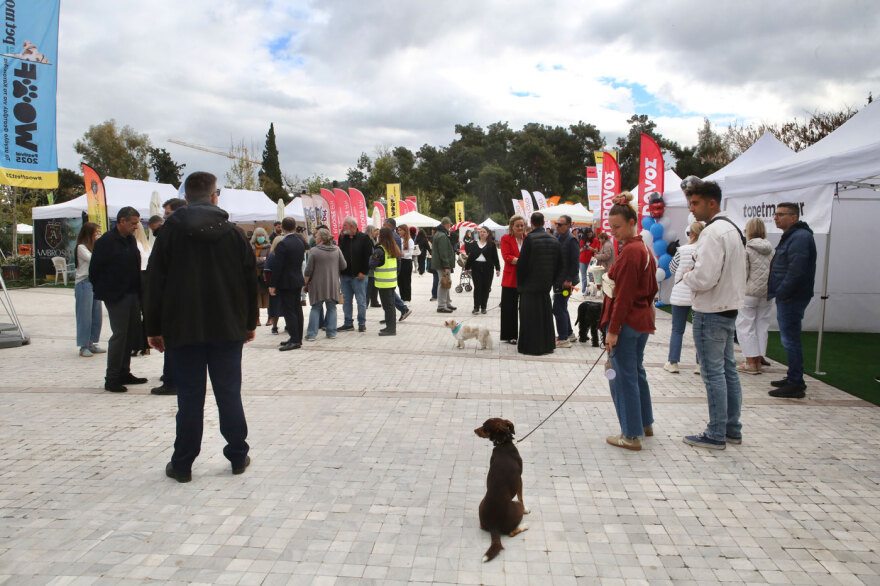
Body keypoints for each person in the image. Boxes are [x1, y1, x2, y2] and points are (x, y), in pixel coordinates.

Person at [145, 171, 256, 483]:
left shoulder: (169, 233)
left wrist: (153, 327)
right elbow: (250, 281)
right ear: (214, 195)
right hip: (227, 327)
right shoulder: (234, 234)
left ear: (186, 196)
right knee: (229, 393)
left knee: (189, 398)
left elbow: (154, 282)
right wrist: (249, 322)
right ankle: (237, 455)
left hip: (183, 327)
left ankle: (182, 464)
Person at [681, 179, 747, 450]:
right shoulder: (733, 229)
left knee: (713, 373)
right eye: (690, 203)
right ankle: (731, 428)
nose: (692, 209)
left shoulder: (712, 232)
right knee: (727, 370)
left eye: (695, 203)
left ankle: (716, 432)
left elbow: (705, 277)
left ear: (712, 203)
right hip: (727, 307)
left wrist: (688, 276)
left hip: (711, 310)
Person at [600, 192, 658, 451]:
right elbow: (652, 287)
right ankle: (644, 423)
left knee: (623, 378)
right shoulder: (643, 248)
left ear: (632, 222)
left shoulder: (631, 251)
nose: (613, 232)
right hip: (640, 320)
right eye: (611, 227)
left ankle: (630, 434)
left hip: (627, 322)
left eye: (617, 227)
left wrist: (613, 330)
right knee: (636, 372)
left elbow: (622, 297)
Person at [89, 207, 147, 393]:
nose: (136, 226)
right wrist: (108, 291)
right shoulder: (106, 242)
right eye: (133, 223)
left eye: (137, 223)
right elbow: (94, 271)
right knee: (120, 335)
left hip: (132, 294)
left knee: (130, 334)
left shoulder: (130, 240)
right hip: (116, 295)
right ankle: (112, 377)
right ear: (122, 221)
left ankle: (124, 372)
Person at [767, 202, 817, 398]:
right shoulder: (793, 236)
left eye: (781, 214)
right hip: (789, 295)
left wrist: (783, 292)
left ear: (794, 217)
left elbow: (797, 269)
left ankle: (796, 383)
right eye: (776, 214)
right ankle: (792, 377)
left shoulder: (800, 237)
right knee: (789, 339)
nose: (776, 217)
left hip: (792, 297)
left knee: (790, 340)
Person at [516, 212, 560, 356]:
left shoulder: (530, 239)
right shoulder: (554, 240)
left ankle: (530, 346)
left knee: (529, 318)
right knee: (545, 316)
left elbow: (522, 264)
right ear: (543, 222)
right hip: (545, 285)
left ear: (531, 223)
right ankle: (547, 345)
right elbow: (558, 264)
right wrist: (552, 280)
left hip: (530, 285)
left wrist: (520, 284)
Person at [736, 218, 775, 375]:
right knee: (762, 326)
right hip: (766, 293)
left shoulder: (747, 249)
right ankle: (758, 361)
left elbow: (743, 273)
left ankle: (750, 362)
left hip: (749, 293)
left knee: (745, 326)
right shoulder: (772, 250)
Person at [664, 222, 704, 373]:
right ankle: (700, 364)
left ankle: (673, 362)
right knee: (699, 331)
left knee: (677, 329)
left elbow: (672, 268)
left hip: (680, 293)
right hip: (697, 293)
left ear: (692, 234)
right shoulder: (705, 250)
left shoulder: (682, 250)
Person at [269, 217, 306, 351]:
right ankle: (297, 337)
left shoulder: (283, 244)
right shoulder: (299, 242)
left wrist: (273, 284)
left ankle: (294, 339)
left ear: (283, 228)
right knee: (297, 309)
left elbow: (278, 266)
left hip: (286, 281)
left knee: (289, 311)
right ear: (295, 227)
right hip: (297, 279)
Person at [304, 228, 346, 341]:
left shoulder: (314, 251)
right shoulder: (336, 250)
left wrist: (305, 283)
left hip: (317, 285)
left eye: (317, 236)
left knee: (315, 308)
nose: (315, 238)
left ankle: (311, 335)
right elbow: (344, 265)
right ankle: (331, 332)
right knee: (332, 308)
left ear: (321, 238)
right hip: (332, 284)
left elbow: (308, 270)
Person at [337, 217, 373, 333]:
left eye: (345, 226)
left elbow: (369, 257)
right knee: (347, 301)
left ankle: (362, 323)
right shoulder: (344, 238)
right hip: (345, 276)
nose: (343, 228)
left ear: (352, 226)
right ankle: (348, 323)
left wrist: (364, 271)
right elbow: (340, 253)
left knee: (361, 301)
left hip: (359, 276)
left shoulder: (364, 238)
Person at [74, 222, 105, 358]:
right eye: (96, 232)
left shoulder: (95, 247)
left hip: (94, 282)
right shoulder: (81, 247)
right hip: (84, 283)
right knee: (84, 316)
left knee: (96, 315)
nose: (97, 235)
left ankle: (92, 342)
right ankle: (84, 345)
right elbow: (94, 260)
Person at [552, 214, 580, 348]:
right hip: (558, 280)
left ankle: (563, 338)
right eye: (556, 224)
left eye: (560, 224)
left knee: (558, 308)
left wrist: (569, 280)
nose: (557, 226)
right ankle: (569, 333)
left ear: (568, 226)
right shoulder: (558, 238)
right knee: (562, 306)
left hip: (565, 282)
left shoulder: (571, 240)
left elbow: (575, 263)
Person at [370, 227, 402, 336]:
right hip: (391, 281)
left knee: (387, 306)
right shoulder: (394, 249)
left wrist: (371, 258)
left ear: (382, 237)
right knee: (390, 306)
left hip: (383, 283)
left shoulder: (380, 250)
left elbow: (372, 264)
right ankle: (390, 326)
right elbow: (398, 264)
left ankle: (391, 329)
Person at [499, 215, 525, 344]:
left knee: (525, 309)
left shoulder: (527, 238)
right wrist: (524, 261)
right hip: (510, 279)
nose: (520, 228)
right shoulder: (506, 238)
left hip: (525, 279)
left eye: (522, 225)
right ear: (512, 227)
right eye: (517, 226)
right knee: (509, 308)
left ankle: (525, 334)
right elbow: (507, 257)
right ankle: (510, 335)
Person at [464, 226, 500, 314]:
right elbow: (471, 257)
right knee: (477, 288)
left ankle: (484, 307)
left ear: (488, 234)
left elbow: (495, 257)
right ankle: (476, 307)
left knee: (486, 288)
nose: (482, 233)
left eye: (484, 232)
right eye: (481, 232)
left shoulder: (491, 244)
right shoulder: (474, 244)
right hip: (476, 268)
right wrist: (467, 268)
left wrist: (498, 268)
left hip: (488, 268)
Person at [382, 218, 412, 322]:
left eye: (384, 225)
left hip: (390, 269)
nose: (382, 227)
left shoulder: (392, 237)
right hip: (390, 268)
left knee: (389, 292)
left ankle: (402, 310)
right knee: (389, 292)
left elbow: (394, 254)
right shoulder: (393, 236)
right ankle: (395, 313)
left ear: (389, 226)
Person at [432, 217, 456, 313]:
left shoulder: (439, 234)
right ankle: (442, 305)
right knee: (443, 284)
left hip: (440, 264)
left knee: (446, 283)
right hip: (442, 264)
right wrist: (446, 266)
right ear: (447, 224)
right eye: (449, 225)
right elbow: (443, 252)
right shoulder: (442, 235)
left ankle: (447, 303)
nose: (450, 226)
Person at [250, 228, 271, 326]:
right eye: (259, 235)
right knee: (256, 297)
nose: (261, 237)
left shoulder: (269, 246)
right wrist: (262, 259)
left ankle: (270, 318)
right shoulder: (251, 247)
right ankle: (257, 319)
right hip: (255, 275)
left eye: (262, 235)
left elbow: (269, 259)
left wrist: (258, 260)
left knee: (268, 297)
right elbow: (250, 260)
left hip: (265, 275)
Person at [397, 224, 415, 302]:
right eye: (398, 230)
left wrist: (403, 254)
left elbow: (411, 252)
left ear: (405, 231)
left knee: (406, 281)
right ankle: (402, 297)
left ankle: (407, 299)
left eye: (400, 230)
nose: (399, 232)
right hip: (400, 261)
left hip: (407, 262)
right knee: (400, 281)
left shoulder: (410, 240)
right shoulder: (399, 239)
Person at [365, 225, 382, 308]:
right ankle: (366, 302)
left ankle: (374, 301)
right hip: (370, 265)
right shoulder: (368, 240)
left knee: (374, 284)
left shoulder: (372, 240)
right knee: (369, 285)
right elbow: (372, 253)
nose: (376, 232)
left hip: (372, 265)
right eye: (375, 230)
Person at [579, 227, 598, 296]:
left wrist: (591, 249)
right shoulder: (582, 240)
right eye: (588, 234)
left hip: (591, 260)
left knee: (591, 276)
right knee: (583, 276)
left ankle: (592, 290)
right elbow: (579, 251)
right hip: (582, 260)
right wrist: (583, 249)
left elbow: (596, 250)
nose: (590, 235)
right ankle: (584, 291)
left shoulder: (595, 240)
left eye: (591, 234)